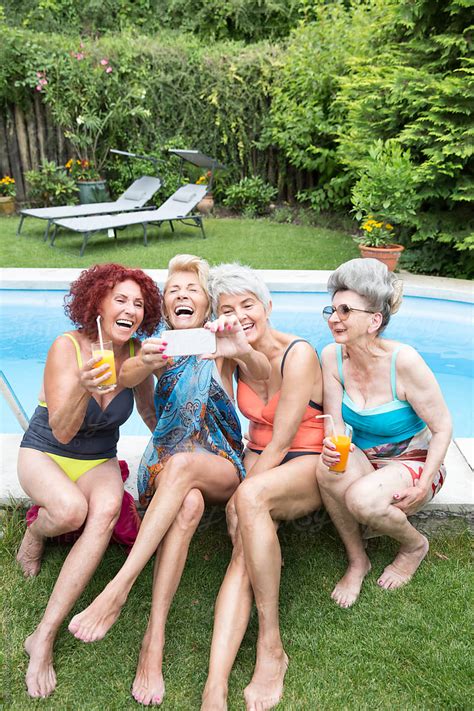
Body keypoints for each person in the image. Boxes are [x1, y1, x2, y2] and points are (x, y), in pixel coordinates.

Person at [67, 254, 270, 707]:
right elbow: (130, 381)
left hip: (217, 461)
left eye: (192, 290)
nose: (181, 296)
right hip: (168, 462)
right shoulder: (156, 349)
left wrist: (240, 349)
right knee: (188, 503)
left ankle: (118, 588)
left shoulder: (221, 341)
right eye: (173, 290)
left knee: (185, 470)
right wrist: (146, 362)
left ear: (207, 304)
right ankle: (152, 641)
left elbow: (264, 375)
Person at [16, 263, 162, 699]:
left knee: (103, 512)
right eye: (120, 299)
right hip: (46, 451)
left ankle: (42, 635)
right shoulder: (69, 347)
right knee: (67, 512)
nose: (130, 310)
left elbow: (150, 415)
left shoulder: (136, 354)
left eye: (138, 304)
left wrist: (178, 443)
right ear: (96, 302)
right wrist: (82, 386)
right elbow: (60, 430)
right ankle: (37, 533)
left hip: (97, 456)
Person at [201, 264, 324, 711]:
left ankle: (271, 643)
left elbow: (284, 439)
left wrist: (239, 495)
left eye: (248, 304)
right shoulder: (233, 352)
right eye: (228, 308)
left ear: (267, 306)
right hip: (260, 458)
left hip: (305, 458)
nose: (240, 314)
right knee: (241, 549)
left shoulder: (300, 353)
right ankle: (215, 685)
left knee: (248, 501)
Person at [316, 258, 451, 609]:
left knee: (362, 499)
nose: (334, 318)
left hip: (414, 458)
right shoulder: (331, 357)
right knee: (325, 468)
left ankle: (414, 546)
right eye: (332, 309)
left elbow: (442, 427)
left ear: (374, 320)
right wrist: (331, 445)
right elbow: (335, 424)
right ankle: (358, 560)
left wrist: (425, 482)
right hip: (365, 457)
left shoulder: (404, 361)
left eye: (346, 310)